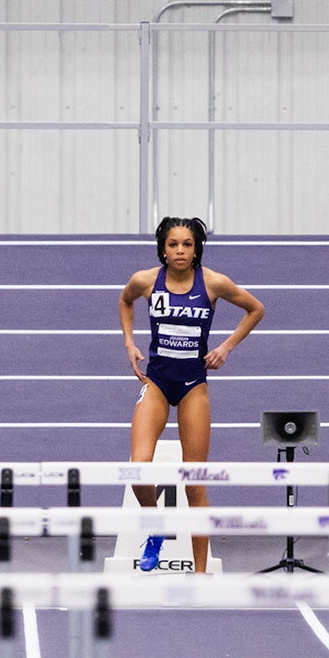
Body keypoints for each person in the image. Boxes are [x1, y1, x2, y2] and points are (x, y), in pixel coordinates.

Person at [119, 217, 265, 573]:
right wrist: (129, 342)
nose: (180, 251)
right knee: (137, 468)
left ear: (197, 248)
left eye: (187, 244)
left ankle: (200, 574)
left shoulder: (213, 283)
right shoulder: (145, 280)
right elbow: (125, 302)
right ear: (163, 249)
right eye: (173, 244)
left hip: (193, 387)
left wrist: (227, 347)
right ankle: (156, 527)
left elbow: (255, 309)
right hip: (156, 382)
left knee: (194, 484)